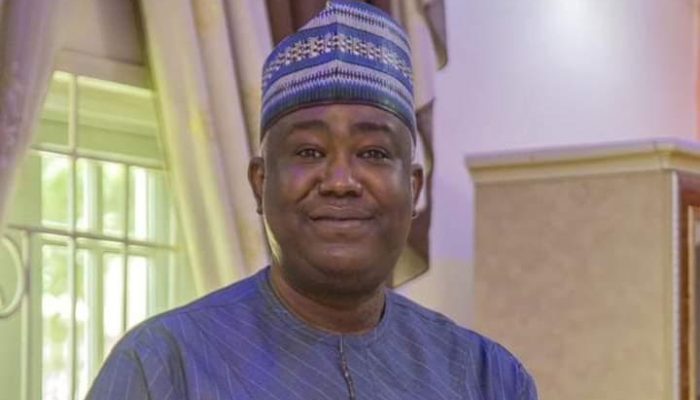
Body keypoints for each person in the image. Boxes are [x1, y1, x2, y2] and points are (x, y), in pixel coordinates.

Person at [86, 2, 538, 399]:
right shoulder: (163, 367)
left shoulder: (487, 379)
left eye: (373, 153)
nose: (340, 181)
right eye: (309, 152)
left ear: (414, 187)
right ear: (260, 182)